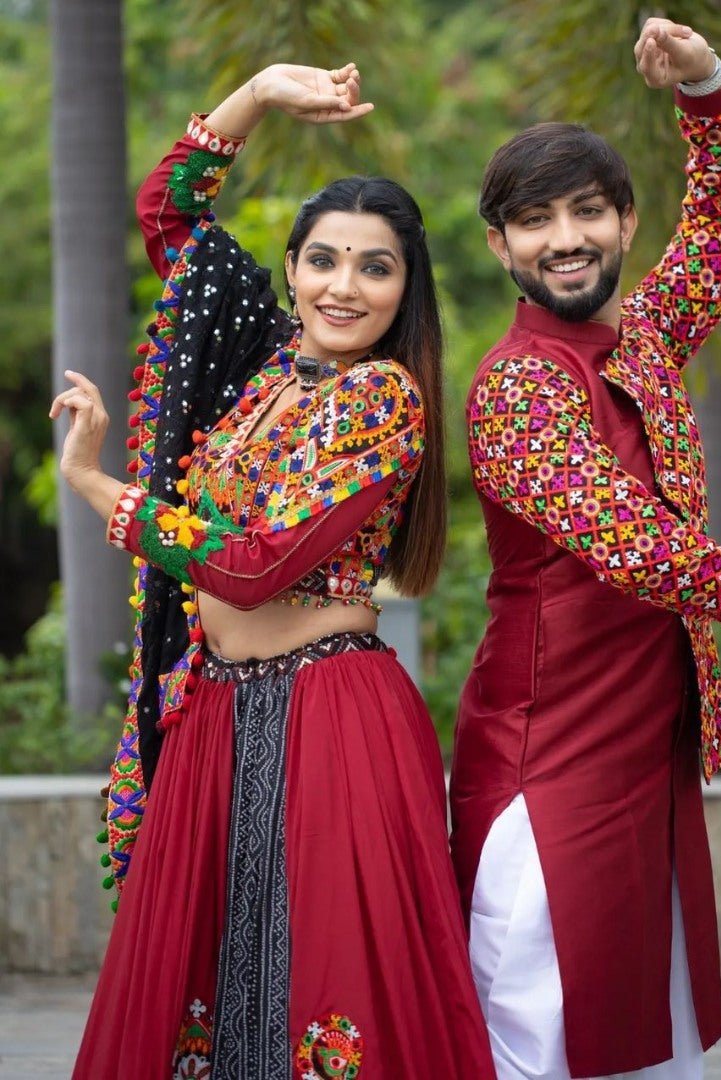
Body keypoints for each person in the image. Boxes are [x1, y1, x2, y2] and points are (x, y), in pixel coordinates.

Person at [51, 62, 494, 1079]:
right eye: (323, 260)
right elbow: (170, 215)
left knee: (328, 998)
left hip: (329, 714)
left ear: (404, 288)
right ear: (291, 269)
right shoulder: (257, 368)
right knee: (209, 1004)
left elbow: (253, 570)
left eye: (374, 268)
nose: (343, 286)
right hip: (216, 708)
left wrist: (97, 486)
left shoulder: (381, 401)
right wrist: (253, 94)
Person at [449, 18, 721, 1080]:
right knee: (538, 1036)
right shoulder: (518, 385)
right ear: (499, 247)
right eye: (533, 221)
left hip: (640, 755)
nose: (563, 238)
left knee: (645, 1043)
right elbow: (636, 548)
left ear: (623, 222)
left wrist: (705, 86)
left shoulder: (642, 344)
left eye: (585, 211)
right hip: (548, 764)